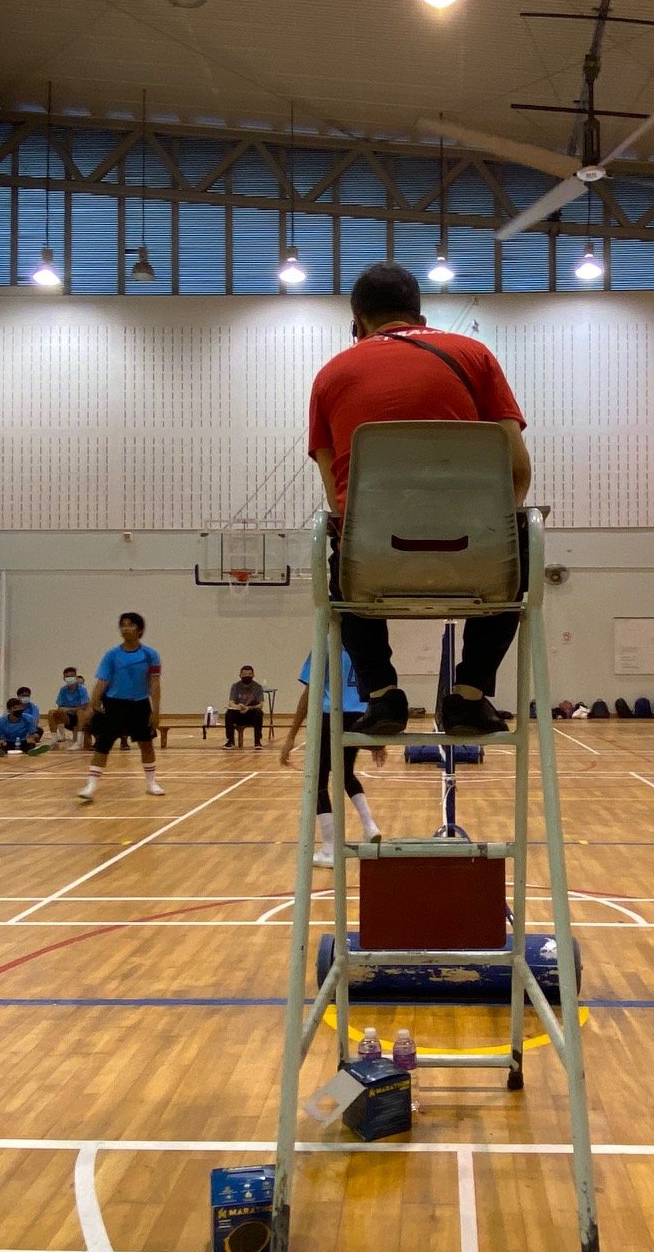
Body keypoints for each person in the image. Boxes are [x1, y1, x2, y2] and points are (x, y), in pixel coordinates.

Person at [308, 262, 531, 738]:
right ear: (420, 312)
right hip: (478, 559)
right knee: (523, 538)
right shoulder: (475, 356)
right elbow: (518, 471)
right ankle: (470, 695)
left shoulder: (330, 376)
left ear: (357, 318)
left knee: (338, 557)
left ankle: (382, 695)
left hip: (373, 564)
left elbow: (337, 496)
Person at [279, 647, 384, 867]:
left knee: (318, 780)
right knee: (345, 774)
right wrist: (378, 738)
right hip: (360, 715)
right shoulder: (361, 644)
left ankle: (329, 849)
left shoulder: (326, 644)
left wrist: (291, 735)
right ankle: (369, 825)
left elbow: (310, 693)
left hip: (332, 714)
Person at [79, 612, 164, 804]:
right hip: (114, 704)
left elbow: (155, 683)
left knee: (146, 744)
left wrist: (156, 710)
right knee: (103, 744)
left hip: (140, 705)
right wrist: (93, 704)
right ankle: (90, 785)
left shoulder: (150, 655)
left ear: (140, 630)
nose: (126, 628)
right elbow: (102, 680)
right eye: (123, 625)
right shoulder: (111, 655)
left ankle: (151, 783)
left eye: (131, 625)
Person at [224, 665, 266, 748]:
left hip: (251, 714)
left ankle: (257, 742)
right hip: (238, 713)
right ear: (240, 675)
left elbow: (260, 704)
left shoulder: (258, 687)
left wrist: (249, 708)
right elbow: (231, 703)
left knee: (259, 713)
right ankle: (230, 741)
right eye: (244, 675)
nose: (247, 676)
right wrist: (238, 706)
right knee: (228, 714)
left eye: (249, 674)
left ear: (253, 675)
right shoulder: (235, 686)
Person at [51, 668, 89, 749]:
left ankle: (78, 742)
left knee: (80, 712)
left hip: (81, 717)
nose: (70, 678)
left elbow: (84, 706)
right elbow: (60, 706)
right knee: (52, 713)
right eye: (67, 677)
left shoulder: (82, 689)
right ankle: (54, 741)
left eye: (72, 676)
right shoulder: (63, 690)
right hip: (69, 717)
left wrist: (68, 709)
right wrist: (64, 710)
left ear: (75, 677)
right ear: (64, 678)